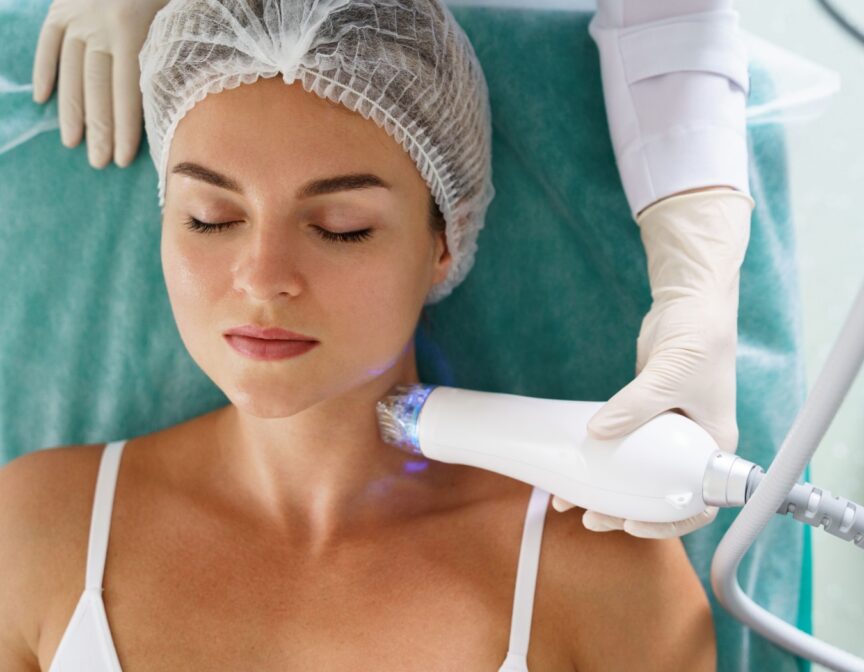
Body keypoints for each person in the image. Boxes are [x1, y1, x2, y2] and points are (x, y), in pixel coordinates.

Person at [0, 1, 715, 670]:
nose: (263, 277)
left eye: (342, 227)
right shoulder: (36, 530)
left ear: (446, 237)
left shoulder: (601, 569)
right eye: (211, 217)